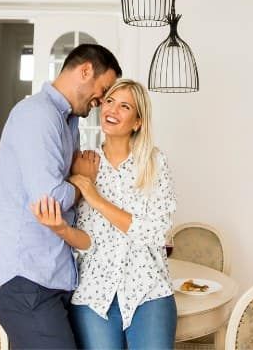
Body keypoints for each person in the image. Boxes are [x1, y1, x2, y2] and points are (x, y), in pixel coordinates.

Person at [0, 43, 121, 350]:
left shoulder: (67, 122)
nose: (102, 101)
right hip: (26, 279)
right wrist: (85, 180)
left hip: (48, 277)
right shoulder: (38, 115)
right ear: (85, 70)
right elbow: (51, 200)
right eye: (104, 88)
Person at [32, 79, 177, 350]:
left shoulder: (155, 163)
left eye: (124, 106)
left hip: (149, 292)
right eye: (109, 101)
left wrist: (96, 198)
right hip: (94, 296)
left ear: (137, 122)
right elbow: (89, 241)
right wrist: (61, 229)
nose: (112, 109)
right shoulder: (85, 164)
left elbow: (155, 232)